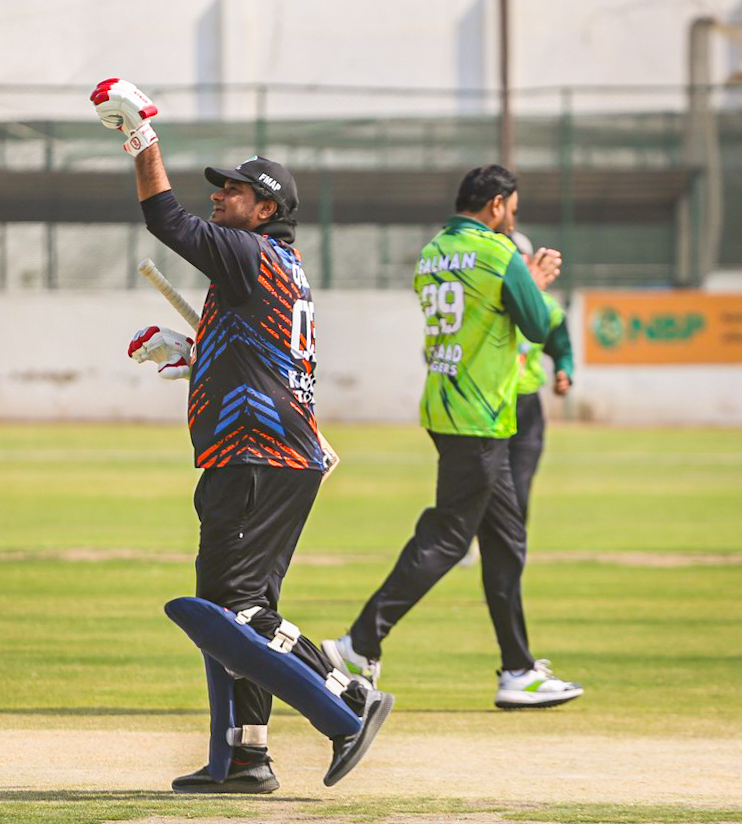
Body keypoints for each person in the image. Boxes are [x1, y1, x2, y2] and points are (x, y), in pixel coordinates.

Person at [90, 78, 392, 795]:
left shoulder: (249, 253)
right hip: (272, 455)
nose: (219, 196)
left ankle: (347, 697)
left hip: (259, 457)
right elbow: (261, 354)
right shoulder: (271, 268)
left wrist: (141, 135)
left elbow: (165, 219)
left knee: (236, 612)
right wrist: (191, 354)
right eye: (220, 187)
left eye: (234, 190)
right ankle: (246, 755)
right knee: (235, 616)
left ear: (267, 210)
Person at [323, 164, 583, 710]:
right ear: (496, 204)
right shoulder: (498, 252)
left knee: (506, 542)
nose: (513, 220)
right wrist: (534, 283)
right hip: (478, 416)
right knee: (446, 538)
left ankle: (517, 670)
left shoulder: (433, 251)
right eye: (512, 210)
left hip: (450, 407)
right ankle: (359, 644)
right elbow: (537, 326)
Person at [508, 230, 574, 524]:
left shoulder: (548, 309)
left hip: (526, 409)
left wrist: (564, 372)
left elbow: (562, 349)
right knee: (484, 490)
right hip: (489, 405)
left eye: (519, 257)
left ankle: (511, 544)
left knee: (519, 491)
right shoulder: (486, 304)